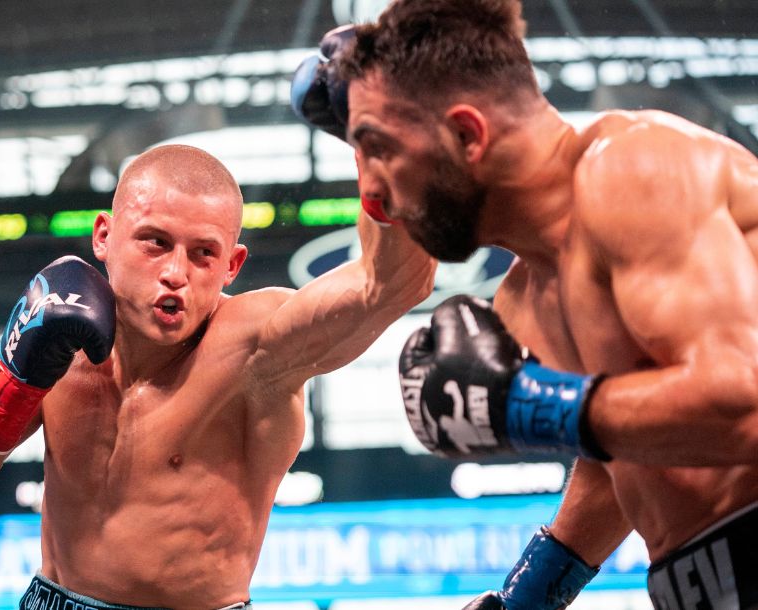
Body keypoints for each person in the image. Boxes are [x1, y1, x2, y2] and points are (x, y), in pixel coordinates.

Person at [293, 0, 758, 607]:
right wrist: (531, 594)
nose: (374, 194)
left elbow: (742, 408)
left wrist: (530, 406)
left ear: (466, 134)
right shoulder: (524, 293)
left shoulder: (635, 168)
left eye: (378, 149)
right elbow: (630, 439)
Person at [0, 143, 436, 610]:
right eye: (154, 242)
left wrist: (387, 154)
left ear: (233, 266)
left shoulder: (255, 347)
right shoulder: (62, 328)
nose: (176, 273)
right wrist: (14, 375)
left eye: (203, 254)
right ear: (103, 235)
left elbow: (391, 285)